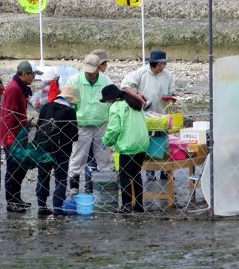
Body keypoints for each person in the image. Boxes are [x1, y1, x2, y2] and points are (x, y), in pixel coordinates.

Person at [121, 50, 176, 181]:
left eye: (164, 64)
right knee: (147, 142)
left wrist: (171, 98)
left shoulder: (168, 76)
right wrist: (138, 97)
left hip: (162, 115)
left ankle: (165, 171)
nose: (163, 67)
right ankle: (150, 172)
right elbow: (125, 85)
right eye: (162, 64)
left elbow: (172, 93)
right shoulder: (141, 73)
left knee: (163, 141)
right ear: (156, 64)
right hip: (145, 115)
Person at [0, 60, 43, 213]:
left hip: (19, 134)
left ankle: (17, 198)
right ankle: (11, 201)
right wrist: (10, 139)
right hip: (12, 136)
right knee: (13, 168)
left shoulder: (20, 88)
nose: (33, 78)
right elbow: (8, 115)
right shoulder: (14, 89)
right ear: (24, 74)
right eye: (32, 75)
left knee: (21, 168)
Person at [66, 53, 113, 195]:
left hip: (102, 124)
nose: (90, 74)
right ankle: (74, 189)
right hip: (82, 125)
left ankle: (104, 190)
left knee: (104, 157)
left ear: (99, 68)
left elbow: (112, 103)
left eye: (93, 72)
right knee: (77, 157)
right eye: (87, 71)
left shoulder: (106, 81)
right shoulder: (74, 81)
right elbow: (68, 103)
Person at [100, 84, 149, 213]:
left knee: (124, 175)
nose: (107, 103)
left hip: (128, 146)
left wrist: (106, 141)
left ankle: (126, 205)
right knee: (136, 174)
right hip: (142, 143)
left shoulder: (116, 107)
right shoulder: (135, 102)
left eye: (106, 101)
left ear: (110, 98)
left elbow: (114, 129)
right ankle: (139, 205)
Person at [34, 86, 79, 218]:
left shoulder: (46, 107)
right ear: (70, 100)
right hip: (62, 150)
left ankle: (41, 206)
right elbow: (74, 135)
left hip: (43, 148)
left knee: (43, 175)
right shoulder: (70, 111)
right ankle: (58, 208)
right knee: (60, 179)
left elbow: (38, 126)